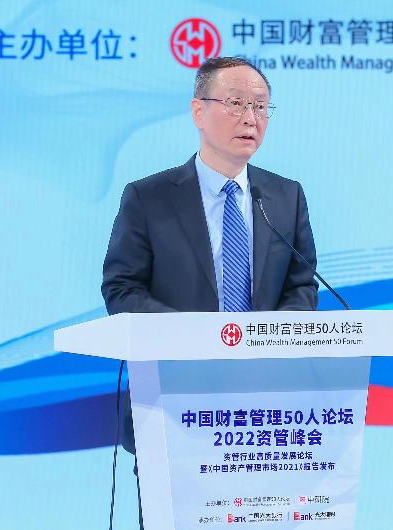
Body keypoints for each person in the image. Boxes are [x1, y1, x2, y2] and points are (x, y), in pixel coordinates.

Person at [100, 56, 318, 528]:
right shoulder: (149, 197)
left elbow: (301, 285)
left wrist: (266, 341)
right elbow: (121, 287)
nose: (250, 118)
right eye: (236, 103)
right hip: (174, 404)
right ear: (198, 110)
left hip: (265, 415)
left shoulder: (285, 197)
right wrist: (197, 338)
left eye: (260, 106)